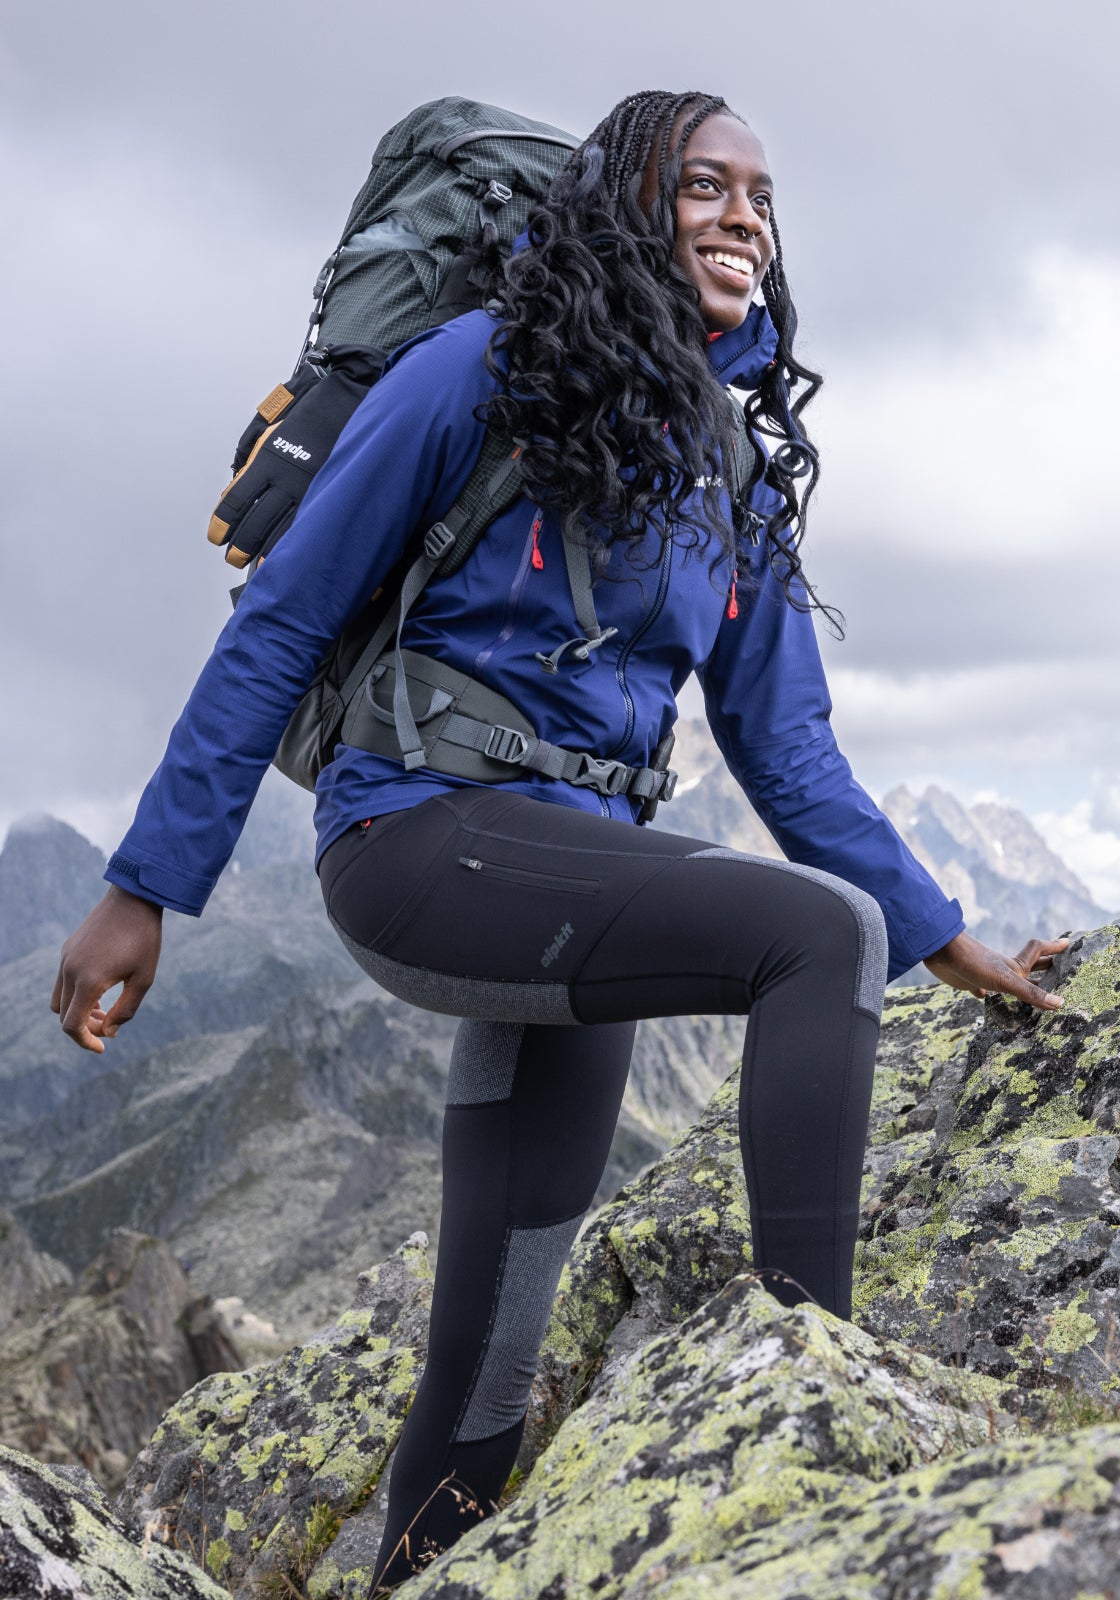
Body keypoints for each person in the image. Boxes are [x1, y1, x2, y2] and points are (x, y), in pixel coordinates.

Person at [52, 89, 1066, 1588]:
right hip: (419, 841)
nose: (743, 216)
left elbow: (788, 751)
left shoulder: (727, 466)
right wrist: (146, 888)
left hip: (576, 877)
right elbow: (286, 617)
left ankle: (421, 1562)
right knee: (813, 934)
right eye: (705, 184)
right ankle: (815, 1416)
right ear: (624, 208)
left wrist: (953, 943)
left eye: (763, 198)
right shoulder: (481, 368)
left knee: (489, 1370)